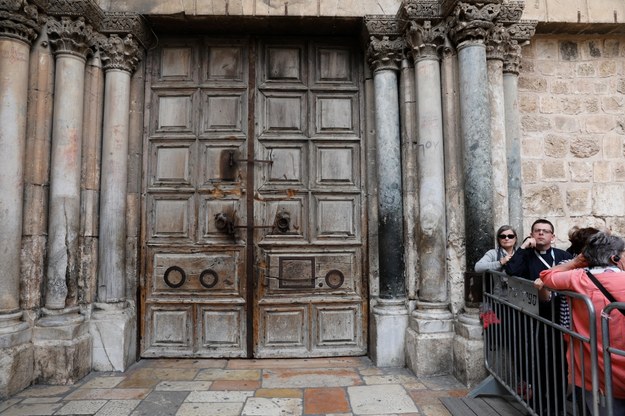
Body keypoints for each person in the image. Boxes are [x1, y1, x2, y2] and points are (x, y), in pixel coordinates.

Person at [538, 232, 625, 416]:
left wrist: (576, 262)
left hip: (593, 369)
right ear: (614, 257)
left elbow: (546, 275)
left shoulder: (577, 278)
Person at [504, 219, 573, 414]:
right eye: (537, 231)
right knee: (537, 361)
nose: (541, 234)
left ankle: (557, 405)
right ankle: (539, 404)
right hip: (533, 319)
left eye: (545, 231)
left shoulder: (562, 256)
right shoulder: (525, 255)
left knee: (559, 362)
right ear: (532, 234)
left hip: (558, 316)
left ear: (553, 236)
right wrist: (524, 247)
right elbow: (511, 271)